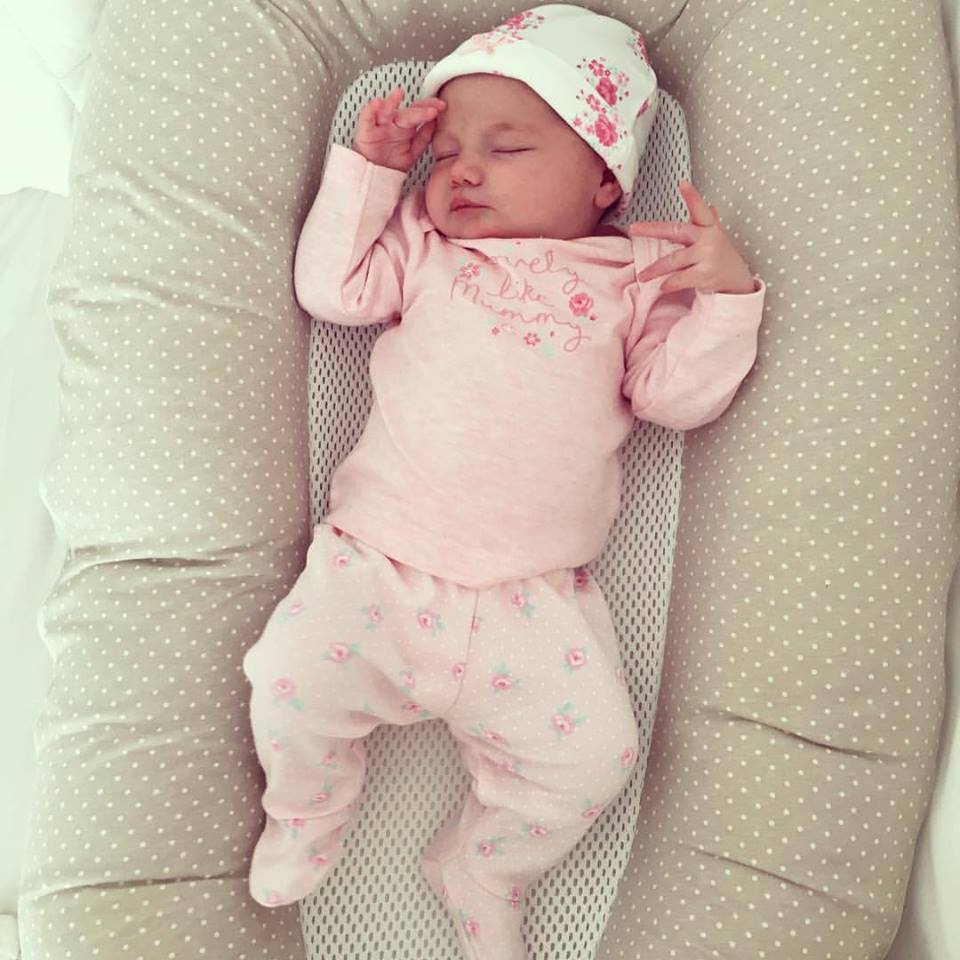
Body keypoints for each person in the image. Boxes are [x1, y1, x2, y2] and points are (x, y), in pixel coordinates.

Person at [241, 4, 766, 958]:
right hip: (379, 568)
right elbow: (332, 290)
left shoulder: (637, 273)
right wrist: (372, 172)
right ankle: (308, 809)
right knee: (286, 682)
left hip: (534, 600)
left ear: (605, 178)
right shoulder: (426, 243)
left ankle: (486, 866)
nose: (463, 171)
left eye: (508, 147)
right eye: (445, 155)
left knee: (593, 760)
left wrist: (724, 300)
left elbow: (674, 399)